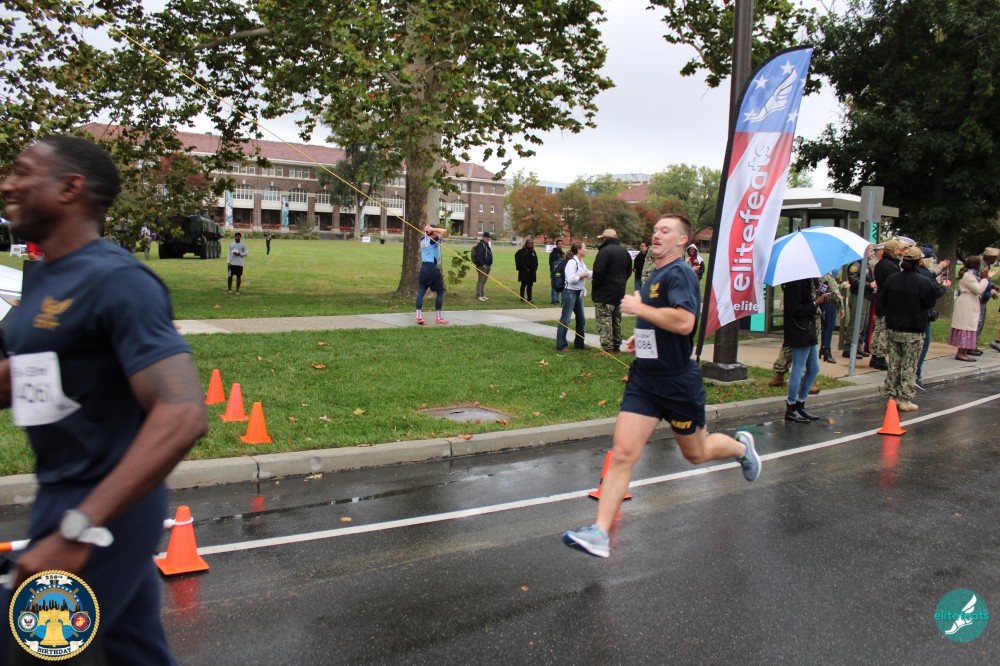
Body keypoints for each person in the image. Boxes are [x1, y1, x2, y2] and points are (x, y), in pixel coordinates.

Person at [0, 135, 208, 663]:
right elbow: (31, 373)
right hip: (61, 495)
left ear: (70, 188)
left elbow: (183, 413)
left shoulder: (119, 281)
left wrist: (78, 528)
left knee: (25, 651)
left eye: (23, 172)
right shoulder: (46, 277)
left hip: (105, 508)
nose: (7, 184)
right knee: (129, 651)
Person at [561, 216, 760, 558]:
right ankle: (599, 533)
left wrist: (639, 307)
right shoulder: (655, 274)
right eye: (655, 230)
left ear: (682, 240)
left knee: (696, 453)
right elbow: (659, 322)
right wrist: (640, 339)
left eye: (665, 231)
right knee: (623, 454)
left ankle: (742, 449)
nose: (656, 234)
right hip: (645, 380)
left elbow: (684, 323)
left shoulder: (681, 273)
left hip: (677, 383)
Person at [878, 246, 938, 411]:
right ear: (918, 262)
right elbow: (929, 303)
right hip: (913, 329)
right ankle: (905, 398)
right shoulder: (923, 282)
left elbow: (883, 301)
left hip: (893, 327)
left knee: (894, 364)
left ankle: (892, 396)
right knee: (909, 365)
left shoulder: (892, 280)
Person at [782, 277, 826, 422]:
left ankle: (801, 403)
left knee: (813, 368)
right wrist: (815, 302)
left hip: (807, 329)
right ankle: (791, 406)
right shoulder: (795, 283)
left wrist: (817, 299)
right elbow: (796, 309)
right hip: (800, 331)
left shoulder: (806, 280)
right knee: (798, 368)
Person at [590, 228, 632, 355]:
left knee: (605, 320)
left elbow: (598, 272)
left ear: (606, 238)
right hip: (619, 291)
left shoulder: (604, 251)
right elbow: (628, 272)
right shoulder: (625, 252)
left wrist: (596, 285)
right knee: (616, 320)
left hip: (605, 292)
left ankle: (607, 347)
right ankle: (616, 346)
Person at [915, 247, 951, 391]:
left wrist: (935, 281)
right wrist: (943, 287)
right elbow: (933, 293)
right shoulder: (926, 275)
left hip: (910, 313)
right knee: (924, 343)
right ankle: (916, 374)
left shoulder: (918, 273)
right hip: (922, 314)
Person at [950, 255, 993, 361]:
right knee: (965, 326)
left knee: (969, 326)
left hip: (970, 302)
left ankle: (964, 352)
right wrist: (985, 278)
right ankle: (960, 353)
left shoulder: (971, 275)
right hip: (967, 303)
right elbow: (978, 289)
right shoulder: (968, 276)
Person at [870, 239, 903, 369]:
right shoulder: (890, 266)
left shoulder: (881, 263)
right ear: (894, 250)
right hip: (887, 301)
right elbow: (894, 284)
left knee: (878, 329)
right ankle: (880, 357)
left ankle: (875, 355)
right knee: (884, 330)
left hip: (881, 299)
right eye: (898, 249)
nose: (900, 251)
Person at [841, 246, 876, 358]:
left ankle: (858, 347)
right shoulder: (855, 265)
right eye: (871, 251)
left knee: (863, 323)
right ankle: (848, 348)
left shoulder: (866, 265)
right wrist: (869, 285)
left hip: (866, 297)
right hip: (857, 297)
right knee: (856, 322)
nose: (873, 253)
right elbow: (854, 281)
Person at [555, 242, 590, 352]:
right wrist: (582, 275)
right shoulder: (572, 262)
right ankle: (561, 345)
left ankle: (579, 344)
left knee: (581, 319)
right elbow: (570, 279)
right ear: (578, 250)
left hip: (578, 293)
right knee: (565, 320)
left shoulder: (581, 262)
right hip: (569, 293)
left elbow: (588, 273)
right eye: (585, 248)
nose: (586, 250)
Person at [415, 224, 449, 325]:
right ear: (433, 233)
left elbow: (433, 234)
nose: (437, 234)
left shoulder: (423, 240)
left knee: (421, 291)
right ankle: (438, 317)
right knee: (440, 292)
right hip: (432, 269)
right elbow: (444, 231)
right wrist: (432, 229)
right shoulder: (432, 241)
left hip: (423, 269)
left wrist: (428, 230)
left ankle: (418, 316)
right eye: (435, 232)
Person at [818, 271, 845, 363]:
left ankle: (824, 348)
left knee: (826, 326)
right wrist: (841, 307)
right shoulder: (826, 274)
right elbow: (833, 289)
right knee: (829, 326)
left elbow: (824, 286)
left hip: (824, 298)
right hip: (829, 299)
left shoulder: (823, 273)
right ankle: (827, 350)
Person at [974, 247, 998, 350]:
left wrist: (992, 286)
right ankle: (971, 345)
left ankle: (973, 344)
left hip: (983, 296)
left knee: (980, 321)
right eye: (995, 257)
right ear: (991, 257)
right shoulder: (982, 266)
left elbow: (987, 281)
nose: (995, 260)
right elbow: (982, 280)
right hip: (979, 297)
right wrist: (991, 290)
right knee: (977, 321)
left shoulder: (986, 265)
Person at [514, 237, 538, 303]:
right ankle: (522, 298)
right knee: (523, 285)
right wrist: (526, 268)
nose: (530, 244)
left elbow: (535, 260)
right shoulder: (523, 251)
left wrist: (535, 268)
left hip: (532, 271)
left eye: (531, 243)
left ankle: (529, 298)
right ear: (526, 244)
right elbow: (521, 261)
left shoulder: (533, 251)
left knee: (530, 285)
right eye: (528, 243)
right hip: (524, 271)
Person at [472, 231, 493, 301]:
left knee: (484, 281)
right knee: (481, 280)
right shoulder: (481, 245)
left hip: (487, 266)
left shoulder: (486, 244)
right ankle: (478, 295)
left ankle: (482, 294)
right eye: (487, 237)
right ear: (484, 237)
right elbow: (479, 256)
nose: (488, 239)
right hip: (482, 266)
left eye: (489, 238)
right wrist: (482, 264)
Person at [548, 238, 565, 304]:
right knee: (555, 284)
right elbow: (551, 263)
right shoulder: (553, 253)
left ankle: (558, 299)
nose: (560, 245)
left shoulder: (563, 253)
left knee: (559, 284)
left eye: (561, 244)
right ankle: (554, 299)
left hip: (561, 272)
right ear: (556, 245)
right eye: (559, 244)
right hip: (555, 272)